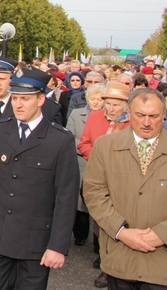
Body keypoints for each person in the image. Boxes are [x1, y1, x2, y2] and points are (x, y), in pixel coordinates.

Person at [0, 68, 79, 289]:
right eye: (15, 98)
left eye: (25, 99)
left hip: (35, 243)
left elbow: (66, 198)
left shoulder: (59, 140)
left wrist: (57, 246)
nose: (18, 104)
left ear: (40, 100)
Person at [83, 89, 167, 288]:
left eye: (154, 116)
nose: (147, 122)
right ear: (129, 113)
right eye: (140, 115)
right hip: (120, 260)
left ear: (164, 115)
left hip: (166, 264)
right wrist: (120, 231)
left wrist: (163, 234)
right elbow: (93, 192)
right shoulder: (105, 146)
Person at [76, 81, 132, 288]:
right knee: (101, 223)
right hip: (98, 178)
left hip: (124, 181)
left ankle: (110, 270)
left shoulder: (133, 122)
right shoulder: (94, 117)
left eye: (117, 104)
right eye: (108, 103)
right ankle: (105, 261)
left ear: (126, 105)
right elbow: (83, 143)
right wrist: (99, 160)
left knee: (120, 223)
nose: (111, 108)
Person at [65, 83, 105, 248]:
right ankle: (80, 235)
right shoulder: (76, 113)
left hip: (101, 165)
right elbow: (69, 136)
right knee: (79, 204)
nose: (96, 102)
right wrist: (87, 147)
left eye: (100, 99)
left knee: (99, 203)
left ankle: (98, 243)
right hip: (81, 161)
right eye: (92, 99)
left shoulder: (108, 117)